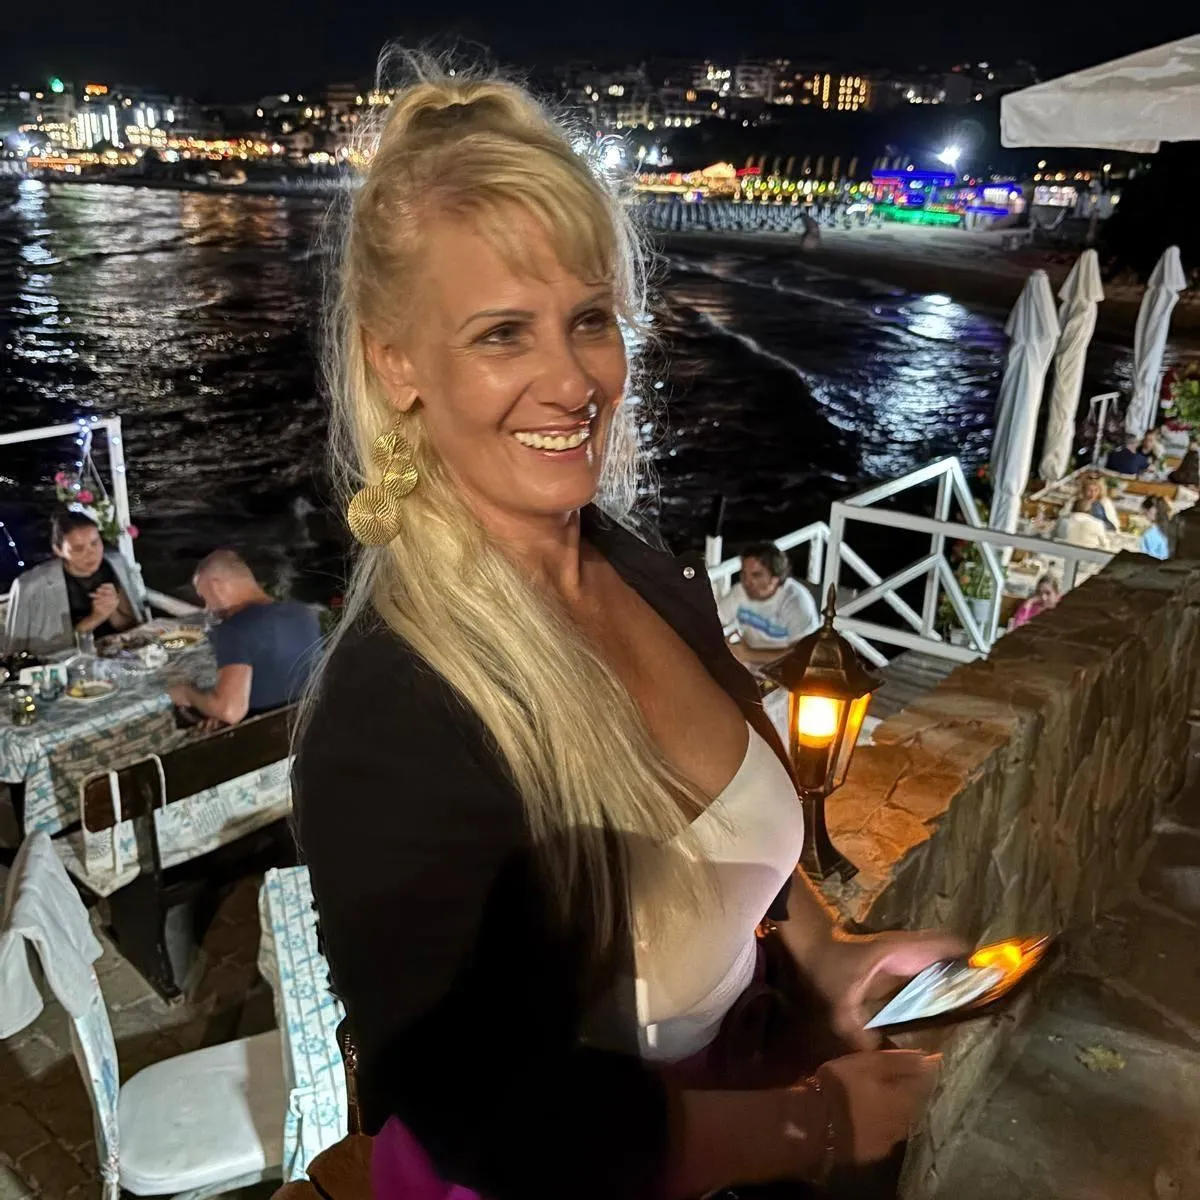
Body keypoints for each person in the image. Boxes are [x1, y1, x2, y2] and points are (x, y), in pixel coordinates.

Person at [293, 60, 961, 1200]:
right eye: (503, 333)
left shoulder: (639, 570)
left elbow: (723, 837)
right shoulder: (393, 716)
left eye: (589, 320)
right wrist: (815, 1126)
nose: (572, 381)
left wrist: (828, 956)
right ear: (395, 363)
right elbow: (499, 1121)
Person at [167, 550, 320, 726]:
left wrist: (187, 694)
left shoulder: (233, 628)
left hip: (268, 730)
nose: (207, 608)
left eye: (204, 597)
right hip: (312, 719)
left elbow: (230, 711)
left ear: (217, 587)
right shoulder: (304, 613)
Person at [3, 511, 145, 656]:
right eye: (78, 549)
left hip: (116, 655)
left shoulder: (114, 565)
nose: (91, 554)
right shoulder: (31, 586)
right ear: (59, 550)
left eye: (95, 543)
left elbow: (131, 627)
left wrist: (111, 611)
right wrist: (95, 618)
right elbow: (16, 654)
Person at [718, 542, 820, 666]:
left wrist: (749, 654)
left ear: (775, 578)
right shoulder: (739, 592)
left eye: (756, 575)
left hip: (785, 670)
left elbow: (804, 652)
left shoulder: (796, 601)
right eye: (744, 574)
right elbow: (713, 620)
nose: (746, 582)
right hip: (749, 667)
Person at [1139, 496, 1172, 560]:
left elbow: (1147, 560)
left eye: (1145, 513)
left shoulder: (1150, 535)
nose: (1144, 516)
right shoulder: (1177, 527)